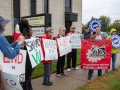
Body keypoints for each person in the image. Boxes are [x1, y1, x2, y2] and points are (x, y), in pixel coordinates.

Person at [18, 19, 35, 90]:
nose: (32, 31)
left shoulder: (31, 39)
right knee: (26, 79)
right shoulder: (22, 39)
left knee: (28, 78)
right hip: (26, 63)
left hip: (30, 62)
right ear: (26, 32)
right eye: (31, 30)